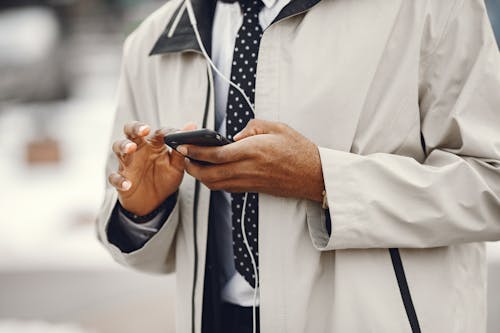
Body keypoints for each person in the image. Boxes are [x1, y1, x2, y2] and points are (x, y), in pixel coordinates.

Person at [96, 0, 500, 332]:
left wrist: (324, 180)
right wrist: (142, 211)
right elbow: (137, 251)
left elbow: (491, 183)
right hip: (219, 321)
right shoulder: (153, 39)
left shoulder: (430, 7)